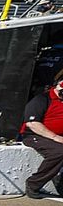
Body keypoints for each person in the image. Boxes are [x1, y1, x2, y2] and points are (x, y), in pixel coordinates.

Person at [19, 70, 63, 198]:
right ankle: (33, 184)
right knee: (59, 151)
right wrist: (55, 137)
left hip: (57, 136)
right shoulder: (42, 99)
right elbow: (32, 123)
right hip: (35, 135)